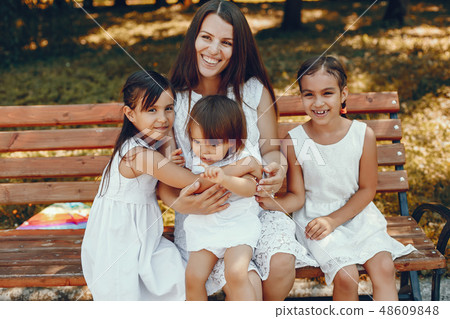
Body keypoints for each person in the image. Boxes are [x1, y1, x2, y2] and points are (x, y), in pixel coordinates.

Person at [158, 0, 312, 300]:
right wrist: (184, 206)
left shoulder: (254, 92)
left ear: (237, 48)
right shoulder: (173, 99)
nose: (214, 50)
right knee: (243, 279)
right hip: (204, 213)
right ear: (193, 38)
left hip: (254, 207)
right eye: (206, 37)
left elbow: (271, 151)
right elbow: (164, 179)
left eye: (226, 42)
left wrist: (277, 170)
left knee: (281, 263)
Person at [259, 55, 416, 301]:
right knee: (346, 275)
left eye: (327, 93)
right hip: (316, 222)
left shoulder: (363, 135)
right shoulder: (294, 140)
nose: (318, 102)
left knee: (385, 268)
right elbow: (298, 197)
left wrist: (334, 220)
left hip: (359, 216)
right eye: (308, 94)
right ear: (301, 96)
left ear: (343, 94)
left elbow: (366, 190)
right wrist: (270, 203)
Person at [81, 70, 213, 300]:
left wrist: (167, 160)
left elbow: (166, 164)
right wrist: (236, 172)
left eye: (168, 108)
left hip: (142, 236)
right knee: (160, 285)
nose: (162, 118)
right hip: (119, 244)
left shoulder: (145, 145)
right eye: (151, 110)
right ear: (130, 114)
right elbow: (195, 183)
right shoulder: (139, 155)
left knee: (177, 271)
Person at [184, 95, 262, 300]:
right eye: (196, 141)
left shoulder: (243, 156)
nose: (203, 151)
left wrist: (225, 178)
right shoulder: (197, 156)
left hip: (238, 223)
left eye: (212, 145)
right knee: (193, 277)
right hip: (205, 225)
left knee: (236, 273)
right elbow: (194, 184)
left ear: (233, 141)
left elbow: (249, 188)